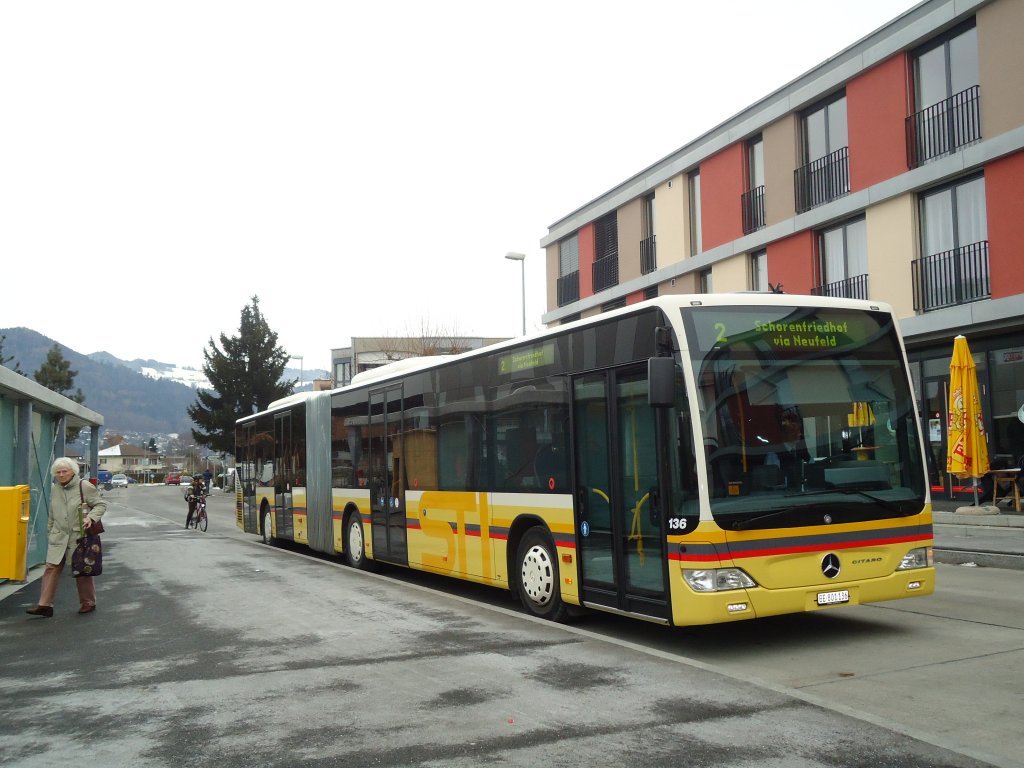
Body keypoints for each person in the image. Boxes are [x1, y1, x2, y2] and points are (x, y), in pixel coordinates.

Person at [25, 457, 107, 618]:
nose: (61, 475)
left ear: (73, 472)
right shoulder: (55, 488)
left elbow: (101, 504)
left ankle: (88, 602)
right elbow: (52, 514)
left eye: (64, 471)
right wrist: (50, 531)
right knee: (51, 568)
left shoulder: (84, 486)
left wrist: (90, 517)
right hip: (58, 536)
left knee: (82, 570)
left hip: (78, 536)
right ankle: (45, 605)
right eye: (58, 472)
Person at [766, 410, 811, 489]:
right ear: (783, 434)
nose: (799, 434)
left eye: (799, 431)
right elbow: (770, 483)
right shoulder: (774, 455)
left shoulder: (803, 451)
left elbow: (812, 471)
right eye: (793, 431)